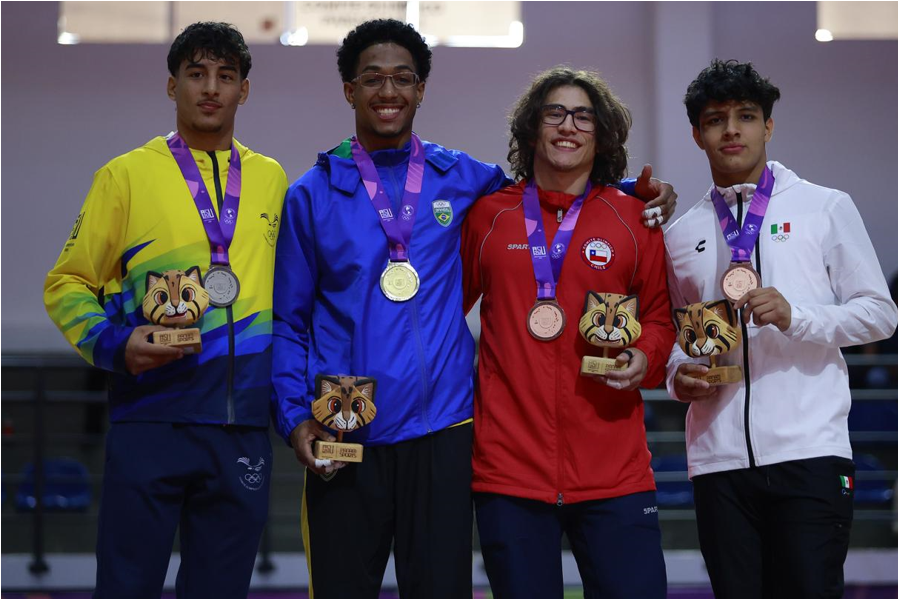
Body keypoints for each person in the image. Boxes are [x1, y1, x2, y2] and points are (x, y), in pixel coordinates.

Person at [272, 19, 676, 598]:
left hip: (444, 432)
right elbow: (288, 323)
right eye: (373, 78)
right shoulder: (311, 194)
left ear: (421, 89)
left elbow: (559, 192)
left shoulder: (464, 180)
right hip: (347, 426)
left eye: (403, 78)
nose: (389, 91)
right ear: (349, 89)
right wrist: (294, 417)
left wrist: (636, 193)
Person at [43, 22, 287, 598]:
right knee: (127, 587)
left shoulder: (273, 179)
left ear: (244, 90)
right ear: (172, 85)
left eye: (226, 76)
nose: (211, 88)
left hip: (240, 425)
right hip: (150, 419)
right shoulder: (125, 175)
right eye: (196, 74)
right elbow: (67, 282)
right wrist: (114, 345)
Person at [664, 59, 897, 598]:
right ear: (697, 134)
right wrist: (679, 375)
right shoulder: (680, 235)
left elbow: (880, 314)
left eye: (746, 116)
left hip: (810, 453)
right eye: (715, 120)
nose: (732, 130)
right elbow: (675, 335)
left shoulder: (825, 207)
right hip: (717, 460)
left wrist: (799, 317)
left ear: (768, 126)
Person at [460, 66, 673, 598]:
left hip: (615, 472)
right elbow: (442, 313)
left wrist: (646, 356)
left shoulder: (634, 219)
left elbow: (659, 317)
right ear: (533, 128)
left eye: (583, 116)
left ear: (601, 135)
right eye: (554, 113)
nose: (568, 126)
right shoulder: (488, 217)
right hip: (509, 470)